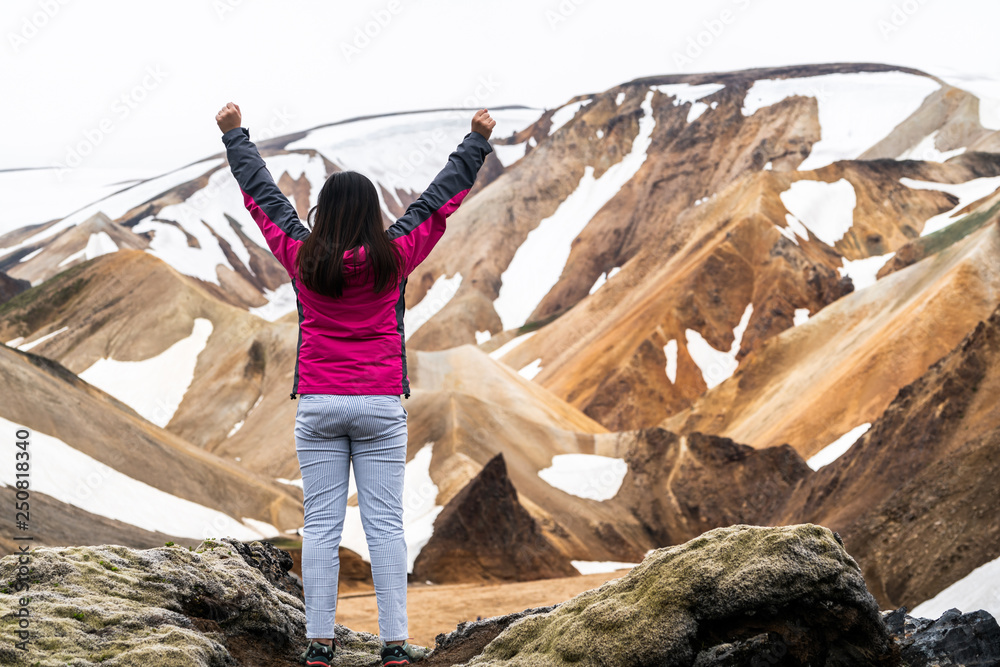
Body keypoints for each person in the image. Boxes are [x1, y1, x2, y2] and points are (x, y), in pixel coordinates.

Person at [215, 102, 495, 666]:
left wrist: (235, 137)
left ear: (322, 212)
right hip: (381, 404)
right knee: (385, 524)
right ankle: (394, 647)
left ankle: (319, 646)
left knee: (319, 526)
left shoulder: (300, 255)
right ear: (371, 213)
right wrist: (475, 142)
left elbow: (264, 199)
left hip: (318, 403)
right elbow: (436, 203)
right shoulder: (395, 255)